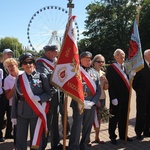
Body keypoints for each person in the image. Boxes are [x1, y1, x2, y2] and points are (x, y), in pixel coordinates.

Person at [11, 53, 56, 150]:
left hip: (36, 112)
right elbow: (15, 97)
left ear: (34, 63)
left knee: (36, 139)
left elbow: (49, 93)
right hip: (21, 112)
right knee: (20, 139)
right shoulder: (19, 78)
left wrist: (40, 98)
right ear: (22, 65)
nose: (28, 65)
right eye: (25, 63)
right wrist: (13, 115)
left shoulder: (42, 77)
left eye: (30, 62)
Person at [68, 51, 101, 150]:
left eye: (89, 59)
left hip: (90, 103)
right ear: (80, 60)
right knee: (77, 125)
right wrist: (80, 101)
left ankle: (84, 145)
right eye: (86, 59)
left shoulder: (95, 73)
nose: (88, 61)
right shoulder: (74, 71)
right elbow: (70, 88)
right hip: (78, 102)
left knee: (88, 125)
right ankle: (73, 146)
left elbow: (99, 90)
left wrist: (93, 102)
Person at [36, 45, 63, 150]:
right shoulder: (40, 62)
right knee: (46, 121)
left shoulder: (55, 61)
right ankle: (42, 144)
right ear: (48, 52)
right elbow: (44, 76)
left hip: (57, 95)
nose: (57, 53)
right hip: (47, 96)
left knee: (55, 120)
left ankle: (55, 143)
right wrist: (57, 70)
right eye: (55, 51)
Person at [106, 49, 133, 145]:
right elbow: (111, 85)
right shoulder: (111, 68)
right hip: (116, 98)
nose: (121, 56)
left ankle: (123, 134)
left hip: (126, 97)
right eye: (119, 54)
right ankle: (112, 136)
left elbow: (128, 81)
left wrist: (132, 75)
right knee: (114, 118)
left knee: (124, 117)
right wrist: (113, 97)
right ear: (115, 57)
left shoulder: (126, 67)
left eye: (123, 54)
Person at [3, 58, 23, 148]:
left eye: (12, 66)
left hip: (26, 104)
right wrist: (16, 86)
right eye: (8, 67)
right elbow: (8, 96)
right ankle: (17, 144)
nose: (10, 68)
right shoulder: (7, 80)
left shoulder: (24, 74)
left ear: (16, 65)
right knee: (16, 126)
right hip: (13, 105)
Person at [133, 49, 150, 140]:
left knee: (149, 114)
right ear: (146, 55)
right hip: (142, 96)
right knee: (141, 113)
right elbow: (135, 82)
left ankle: (147, 131)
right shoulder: (140, 66)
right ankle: (139, 132)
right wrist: (139, 92)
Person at [91, 54, 109, 144]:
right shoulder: (90, 72)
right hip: (93, 99)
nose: (101, 63)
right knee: (90, 119)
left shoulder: (103, 72)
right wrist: (96, 99)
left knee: (99, 119)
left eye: (102, 61)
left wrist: (105, 82)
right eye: (99, 61)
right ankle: (87, 139)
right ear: (94, 63)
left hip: (102, 98)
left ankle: (97, 137)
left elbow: (106, 88)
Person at [0, 48, 13, 142]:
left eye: (10, 54)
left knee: (11, 115)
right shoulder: (0, 66)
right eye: (7, 54)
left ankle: (9, 133)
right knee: (0, 115)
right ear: (3, 55)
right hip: (1, 95)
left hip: (10, 94)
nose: (9, 56)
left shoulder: (12, 67)